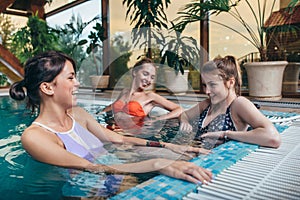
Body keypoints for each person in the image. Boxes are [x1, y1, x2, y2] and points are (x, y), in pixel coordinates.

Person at [9, 51, 212, 198]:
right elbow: (90, 166)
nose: (78, 83)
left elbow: (119, 139)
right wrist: (157, 164)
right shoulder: (35, 136)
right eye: (71, 78)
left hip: (113, 172)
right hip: (87, 191)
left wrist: (169, 147)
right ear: (47, 87)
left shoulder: (78, 114)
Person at [179, 55, 281, 149]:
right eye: (205, 85)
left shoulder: (238, 104)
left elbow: (273, 138)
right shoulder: (207, 104)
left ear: (231, 82)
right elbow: (184, 114)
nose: (207, 91)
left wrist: (226, 134)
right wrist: (185, 122)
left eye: (212, 85)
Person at [101, 58, 184, 132]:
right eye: (145, 74)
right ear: (134, 72)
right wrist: (100, 114)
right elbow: (112, 107)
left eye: (152, 77)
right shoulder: (124, 91)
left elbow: (179, 109)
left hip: (131, 135)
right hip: (113, 130)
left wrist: (157, 119)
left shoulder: (150, 96)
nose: (148, 80)